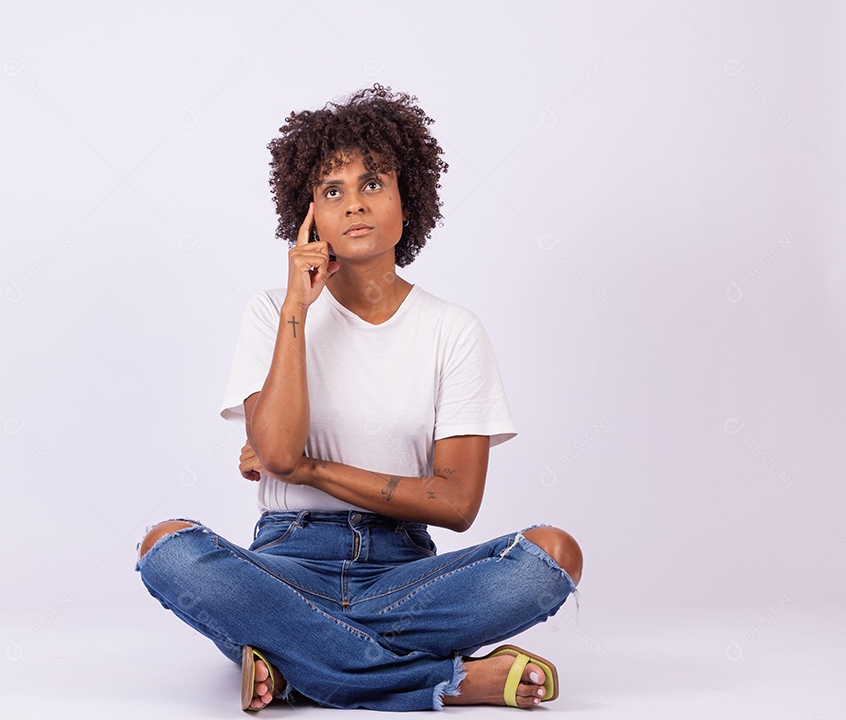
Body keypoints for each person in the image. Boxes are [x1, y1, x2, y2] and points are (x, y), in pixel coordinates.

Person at [136, 84, 583, 712]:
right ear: (308, 215)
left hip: (407, 572)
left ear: (410, 200)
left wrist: (308, 468)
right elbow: (278, 447)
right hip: (285, 564)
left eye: (373, 183)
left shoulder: (452, 330)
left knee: (550, 557)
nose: (354, 205)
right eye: (332, 191)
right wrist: (298, 307)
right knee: (167, 547)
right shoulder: (273, 312)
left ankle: (291, 660)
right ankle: (446, 682)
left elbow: (454, 503)